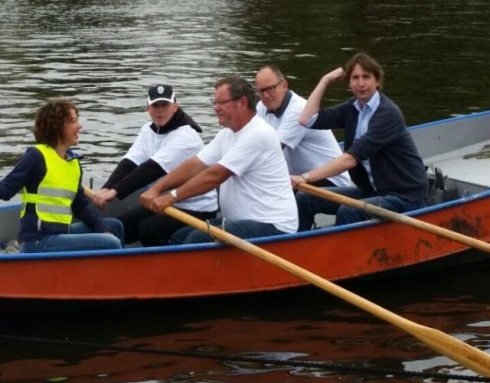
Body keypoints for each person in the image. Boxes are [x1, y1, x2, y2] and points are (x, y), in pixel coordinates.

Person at [140, 74, 298, 244]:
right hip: (242, 222)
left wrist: (172, 196)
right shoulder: (227, 134)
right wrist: (157, 189)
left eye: (222, 102)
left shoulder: (258, 133)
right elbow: (196, 164)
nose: (216, 108)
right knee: (180, 237)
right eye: (215, 103)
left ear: (242, 102)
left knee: (195, 239)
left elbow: (215, 175)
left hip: (272, 226)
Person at [291, 52, 428, 229]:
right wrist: (325, 80)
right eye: (355, 78)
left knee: (348, 211)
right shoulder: (352, 108)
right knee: (305, 198)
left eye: (366, 77)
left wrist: (305, 177)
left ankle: (340, 254)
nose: (361, 83)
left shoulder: (387, 113)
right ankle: (300, 246)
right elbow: (307, 120)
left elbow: (350, 159)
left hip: (405, 197)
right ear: (349, 83)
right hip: (373, 191)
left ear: (377, 81)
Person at [90, 84, 218, 246]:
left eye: (165, 105)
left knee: (148, 230)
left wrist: (114, 192)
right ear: (148, 108)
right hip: (162, 202)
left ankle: (165, 268)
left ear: (175, 107)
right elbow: (130, 162)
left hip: (196, 208)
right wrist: (106, 188)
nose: (160, 110)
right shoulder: (147, 131)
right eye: (155, 106)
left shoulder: (186, 136)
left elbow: (151, 169)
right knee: (119, 227)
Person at [0, 98, 124, 253]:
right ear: (57, 126)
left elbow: (80, 206)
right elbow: (5, 190)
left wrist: (102, 227)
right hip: (38, 240)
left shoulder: (73, 162)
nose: (79, 126)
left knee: (115, 227)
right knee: (109, 243)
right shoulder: (36, 156)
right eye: (73, 121)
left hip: (61, 233)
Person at [255, 65, 351, 187]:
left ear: (284, 85)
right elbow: (253, 141)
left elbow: (271, 151)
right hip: (298, 180)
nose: (266, 96)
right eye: (261, 91)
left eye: (270, 89)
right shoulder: (261, 107)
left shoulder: (298, 109)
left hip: (331, 181)